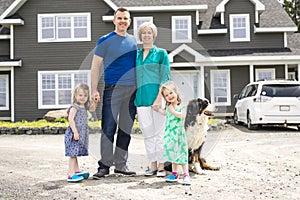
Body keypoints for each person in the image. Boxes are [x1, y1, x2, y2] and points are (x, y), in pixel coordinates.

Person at [91, 7, 138, 179]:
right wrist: (94, 89)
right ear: (114, 20)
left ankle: (121, 165)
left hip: (132, 89)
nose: (123, 21)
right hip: (112, 88)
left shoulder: (134, 41)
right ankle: (104, 166)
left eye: (125, 18)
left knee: (125, 128)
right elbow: (95, 67)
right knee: (108, 127)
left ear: (129, 21)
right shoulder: (105, 40)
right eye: (119, 18)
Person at [134, 22, 171, 177]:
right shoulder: (136, 55)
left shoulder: (161, 54)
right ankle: (153, 165)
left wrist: (159, 98)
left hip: (157, 99)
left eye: (149, 32)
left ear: (153, 35)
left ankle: (162, 166)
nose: (146, 35)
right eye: (144, 33)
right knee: (148, 133)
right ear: (140, 36)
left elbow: (166, 78)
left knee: (159, 133)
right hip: (141, 100)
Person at [159, 81, 191, 185]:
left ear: (176, 92)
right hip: (170, 134)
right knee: (173, 155)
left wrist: (173, 111)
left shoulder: (181, 106)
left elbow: (182, 116)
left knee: (182, 153)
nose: (169, 96)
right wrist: (158, 109)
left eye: (171, 93)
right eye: (166, 95)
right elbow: (165, 113)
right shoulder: (168, 108)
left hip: (179, 135)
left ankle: (186, 174)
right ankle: (174, 173)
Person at [64, 83, 96, 182]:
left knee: (75, 153)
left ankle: (76, 171)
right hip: (74, 134)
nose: (83, 98)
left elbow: (93, 108)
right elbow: (71, 119)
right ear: (75, 96)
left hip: (80, 134)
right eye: (80, 95)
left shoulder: (84, 107)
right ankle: (71, 174)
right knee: (72, 154)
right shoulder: (75, 107)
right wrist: (75, 132)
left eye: (85, 96)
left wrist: (95, 101)